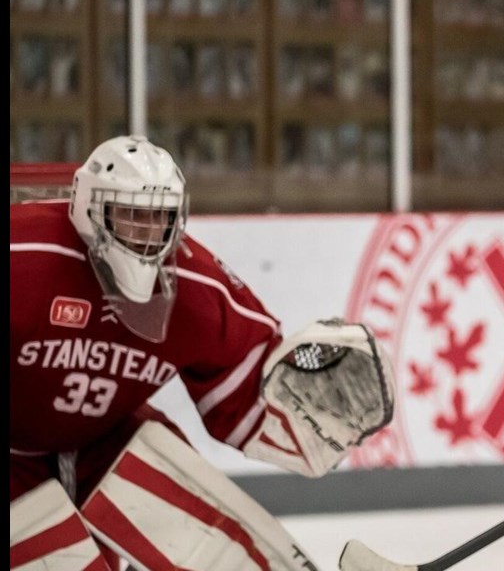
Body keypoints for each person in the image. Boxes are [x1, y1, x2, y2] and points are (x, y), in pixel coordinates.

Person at [10, 135, 395, 569]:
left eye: (160, 219)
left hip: (105, 443)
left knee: (222, 550)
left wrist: (305, 411)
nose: (147, 235)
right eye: (131, 216)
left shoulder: (197, 290)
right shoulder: (24, 255)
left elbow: (250, 391)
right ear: (88, 208)